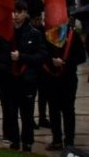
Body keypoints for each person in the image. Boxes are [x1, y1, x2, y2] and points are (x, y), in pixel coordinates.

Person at [1, 0, 46, 152]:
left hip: (27, 80)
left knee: (27, 114)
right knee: (11, 112)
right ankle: (14, 139)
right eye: (14, 12)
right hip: (10, 80)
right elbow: (1, 55)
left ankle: (27, 141)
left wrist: (22, 57)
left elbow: (41, 56)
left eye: (19, 12)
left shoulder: (34, 33)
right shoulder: (7, 34)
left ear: (26, 13)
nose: (16, 16)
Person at [41, 22, 85, 151]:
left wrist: (65, 62)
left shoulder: (73, 35)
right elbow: (42, 53)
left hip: (68, 79)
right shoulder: (47, 35)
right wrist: (51, 61)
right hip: (51, 78)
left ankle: (69, 141)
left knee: (68, 110)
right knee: (53, 110)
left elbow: (81, 56)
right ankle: (57, 140)